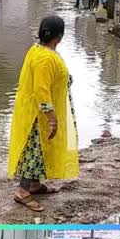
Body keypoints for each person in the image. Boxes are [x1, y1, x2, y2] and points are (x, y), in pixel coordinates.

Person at [8, 16, 80, 212]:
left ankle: (35, 184)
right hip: (38, 115)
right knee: (35, 152)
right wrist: (52, 118)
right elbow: (41, 91)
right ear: (59, 36)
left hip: (34, 110)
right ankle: (23, 191)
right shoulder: (45, 58)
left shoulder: (38, 50)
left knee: (41, 150)